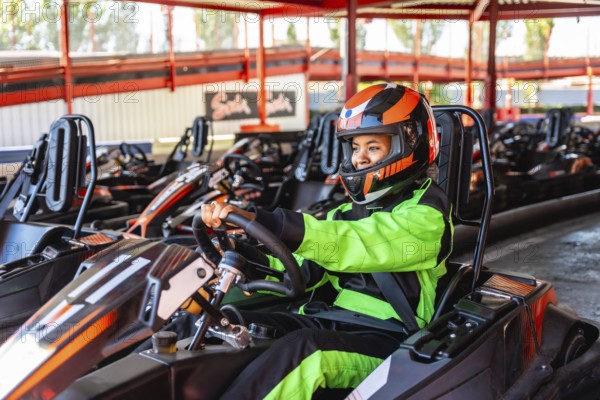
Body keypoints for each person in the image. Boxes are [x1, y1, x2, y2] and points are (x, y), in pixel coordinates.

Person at [194, 83, 453, 399]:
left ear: (409, 144)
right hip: (328, 319)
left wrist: (269, 220)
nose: (360, 159)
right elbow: (302, 266)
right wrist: (244, 257)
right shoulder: (348, 211)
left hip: (388, 337)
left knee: (303, 351)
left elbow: (354, 244)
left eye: (373, 147)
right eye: (355, 148)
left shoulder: (426, 216)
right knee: (220, 322)